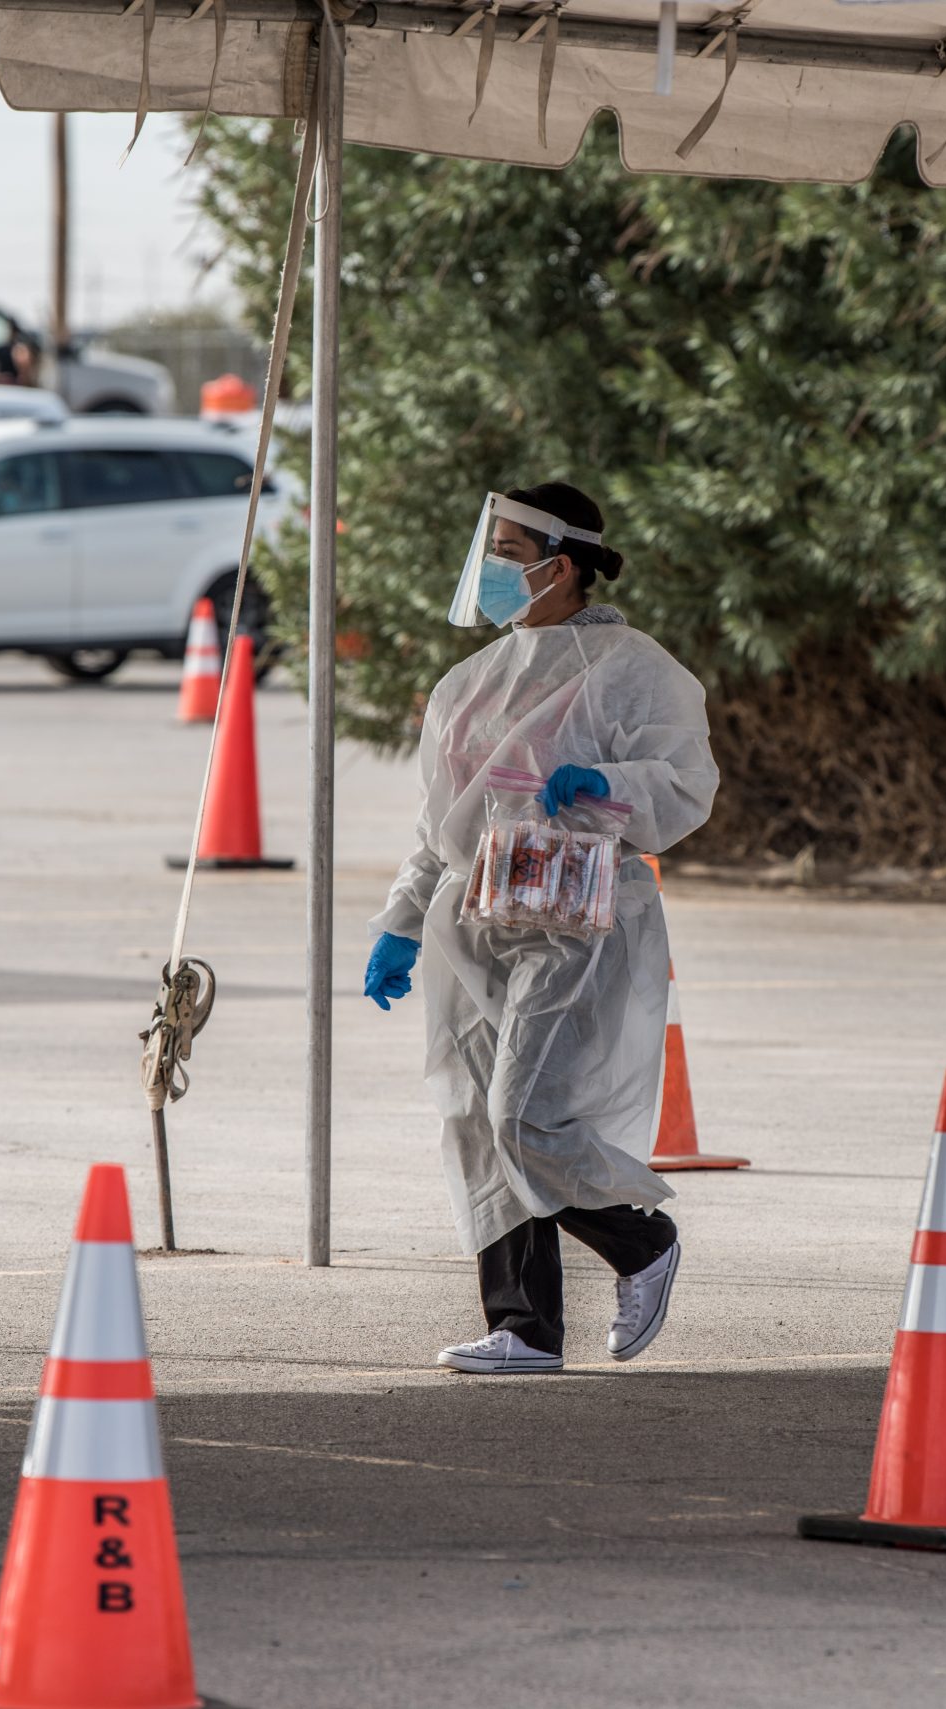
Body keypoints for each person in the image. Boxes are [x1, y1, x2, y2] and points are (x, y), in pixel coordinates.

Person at [364, 483, 720, 1374]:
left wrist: (609, 786)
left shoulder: (637, 670)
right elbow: (435, 827)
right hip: (474, 920)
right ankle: (523, 1326)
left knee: (522, 1111)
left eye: (508, 548)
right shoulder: (468, 683)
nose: (489, 567)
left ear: (559, 566)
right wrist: (401, 924)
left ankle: (639, 1241)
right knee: (475, 1118)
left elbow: (684, 784)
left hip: (577, 921)